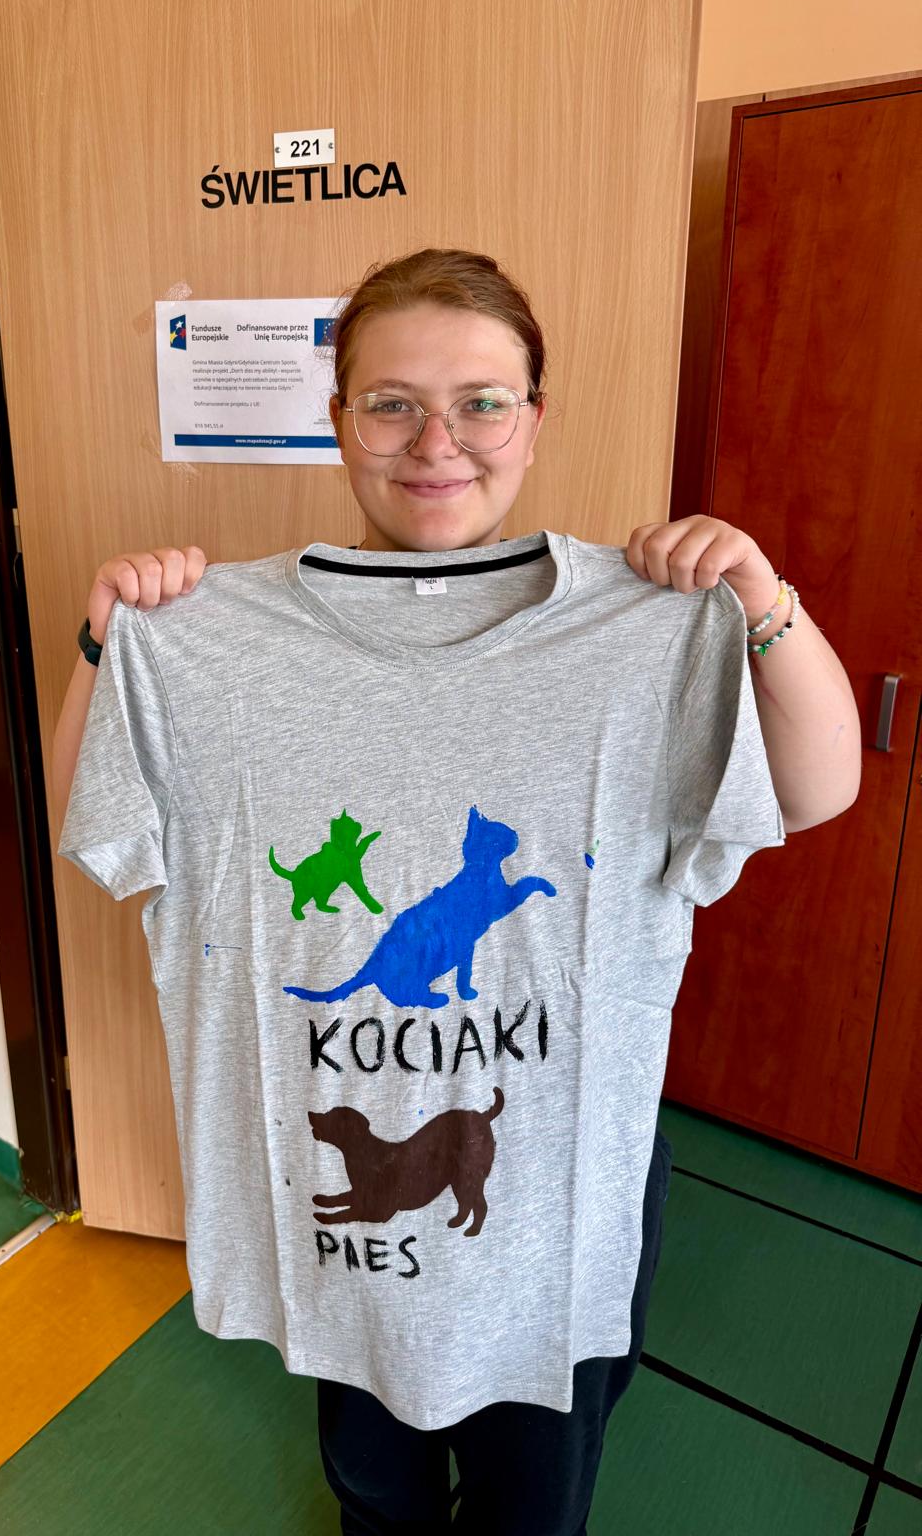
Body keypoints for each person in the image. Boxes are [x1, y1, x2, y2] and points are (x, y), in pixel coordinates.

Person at [52, 249, 861, 1534]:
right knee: (372, 1468)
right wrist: (111, 642)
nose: (437, 442)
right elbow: (96, 822)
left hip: (564, 1188)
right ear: (340, 421)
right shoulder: (212, 641)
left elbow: (816, 791)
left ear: (533, 418)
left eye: (481, 401)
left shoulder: (648, 630)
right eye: (393, 404)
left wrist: (761, 608)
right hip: (345, 1237)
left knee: (537, 1491)